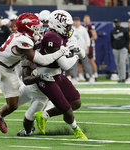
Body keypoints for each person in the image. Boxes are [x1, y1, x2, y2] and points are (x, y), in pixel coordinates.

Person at [0, 12, 70, 138]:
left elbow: (42, 42)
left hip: (10, 70)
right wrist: (61, 52)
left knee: (13, 105)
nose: (39, 30)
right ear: (27, 29)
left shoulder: (25, 36)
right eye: (36, 28)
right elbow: (43, 60)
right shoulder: (22, 40)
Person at [33, 10, 87, 140]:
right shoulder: (51, 37)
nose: (70, 28)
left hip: (57, 74)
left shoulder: (63, 35)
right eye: (67, 25)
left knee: (76, 103)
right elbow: (66, 65)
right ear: (58, 25)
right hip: (45, 76)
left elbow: (83, 54)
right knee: (66, 109)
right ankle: (77, 131)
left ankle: (44, 115)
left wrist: (78, 50)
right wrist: (75, 54)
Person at [71, 17, 95, 84]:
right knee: (74, 64)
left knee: (86, 63)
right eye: (75, 21)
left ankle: (92, 76)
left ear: (79, 22)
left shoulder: (83, 29)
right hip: (74, 49)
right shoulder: (71, 29)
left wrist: (87, 48)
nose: (76, 23)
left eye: (77, 21)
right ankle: (75, 77)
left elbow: (87, 39)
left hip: (82, 49)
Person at [110, 19, 130, 83]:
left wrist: (126, 47)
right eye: (115, 23)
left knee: (122, 62)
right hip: (116, 49)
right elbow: (111, 40)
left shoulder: (124, 30)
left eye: (117, 22)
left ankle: (123, 78)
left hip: (123, 48)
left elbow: (128, 39)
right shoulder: (112, 31)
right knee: (117, 63)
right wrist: (113, 48)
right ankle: (120, 78)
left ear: (119, 23)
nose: (116, 24)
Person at [83, 15, 98, 81]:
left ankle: (95, 74)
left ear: (89, 20)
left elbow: (95, 36)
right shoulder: (81, 27)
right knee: (85, 62)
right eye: (85, 19)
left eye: (87, 19)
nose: (86, 20)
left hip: (90, 46)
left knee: (91, 60)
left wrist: (87, 40)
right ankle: (87, 75)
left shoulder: (90, 27)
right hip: (83, 46)